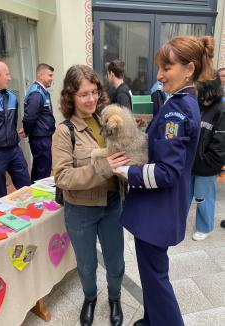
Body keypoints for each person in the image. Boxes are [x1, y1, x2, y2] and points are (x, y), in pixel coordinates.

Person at [107, 35, 215, 326]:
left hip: (157, 212)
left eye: (167, 67)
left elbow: (167, 171)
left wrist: (125, 171)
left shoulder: (177, 109)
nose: (159, 74)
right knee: (152, 272)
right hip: (160, 210)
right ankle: (153, 319)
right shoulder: (181, 102)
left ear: (189, 69)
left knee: (155, 278)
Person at [52, 65, 128, 326]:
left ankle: (115, 298)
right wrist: (103, 167)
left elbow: (121, 155)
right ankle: (90, 297)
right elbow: (62, 177)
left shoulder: (105, 121)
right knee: (86, 264)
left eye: (94, 92)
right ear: (70, 96)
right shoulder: (65, 132)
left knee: (116, 260)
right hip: (80, 210)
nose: (91, 99)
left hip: (112, 205)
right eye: (83, 94)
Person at [0, 58, 31, 199]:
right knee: (1, 195)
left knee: (26, 187)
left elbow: (12, 122)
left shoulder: (12, 97)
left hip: (14, 150)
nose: (10, 78)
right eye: (7, 74)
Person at [190, 78, 225, 241]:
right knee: (187, 194)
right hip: (192, 162)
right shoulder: (200, 105)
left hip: (206, 165)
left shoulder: (221, 110)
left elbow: (220, 145)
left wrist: (208, 163)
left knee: (204, 197)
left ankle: (205, 227)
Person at [22, 63, 55, 182]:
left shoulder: (42, 91)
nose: (52, 78)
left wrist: (27, 130)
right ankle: (42, 197)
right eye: (50, 75)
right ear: (41, 75)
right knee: (43, 170)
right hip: (40, 138)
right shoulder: (36, 93)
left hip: (43, 136)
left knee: (39, 167)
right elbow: (30, 117)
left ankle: (34, 192)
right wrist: (27, 130)